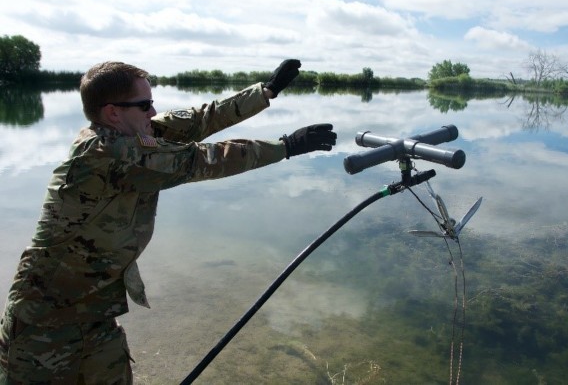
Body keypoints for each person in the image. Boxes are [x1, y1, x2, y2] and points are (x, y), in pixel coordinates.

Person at [0, 59, 337, 384]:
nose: (152, 112)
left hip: (95, 312)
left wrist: (265, 91)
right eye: (144, 104)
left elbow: (196, 120)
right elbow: (201, 159)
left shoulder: (132, 132)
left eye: (152, 102)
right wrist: (286, 146)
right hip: (44, 321)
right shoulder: (108, 154)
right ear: (112, 112)